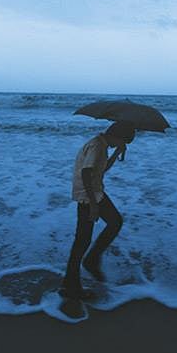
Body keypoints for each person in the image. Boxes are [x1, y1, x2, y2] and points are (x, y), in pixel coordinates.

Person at [60, 121, 136, 299]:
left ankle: (89, 262)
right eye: (122, 142)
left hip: (95, 192)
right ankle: (73, 283)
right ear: (116, 136)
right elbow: (86, 173)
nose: (122, 144)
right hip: (89, 196)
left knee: (113, 223)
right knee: (82, 241)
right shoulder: (96, 146)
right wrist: (93, 205)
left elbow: (100, 170)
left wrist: (117, 152)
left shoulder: (101, 144)